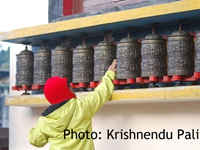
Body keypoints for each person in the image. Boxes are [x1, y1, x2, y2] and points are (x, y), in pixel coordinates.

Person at [28, 59, 117, 150]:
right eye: (69, 87)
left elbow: (36, 141)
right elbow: (102, 92)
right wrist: (110, 73)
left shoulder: (45, 121)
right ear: (66, 92)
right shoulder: (82, 107)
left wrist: (33, 131)